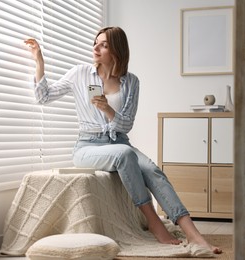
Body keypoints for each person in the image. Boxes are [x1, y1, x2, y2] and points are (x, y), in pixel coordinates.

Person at [25, 26, 222, 254]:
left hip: (119, 141)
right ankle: (154, 222)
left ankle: (194, 235)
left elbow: (126, 124)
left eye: (104, 45)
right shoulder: (80, 73)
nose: (96, 48)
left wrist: (108, 109)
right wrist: (39, 61)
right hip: (88, 147)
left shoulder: (131, 82)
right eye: (95, 43)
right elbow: (44, 96)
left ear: (116, 50)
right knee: (125, 154)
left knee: (152, 170)